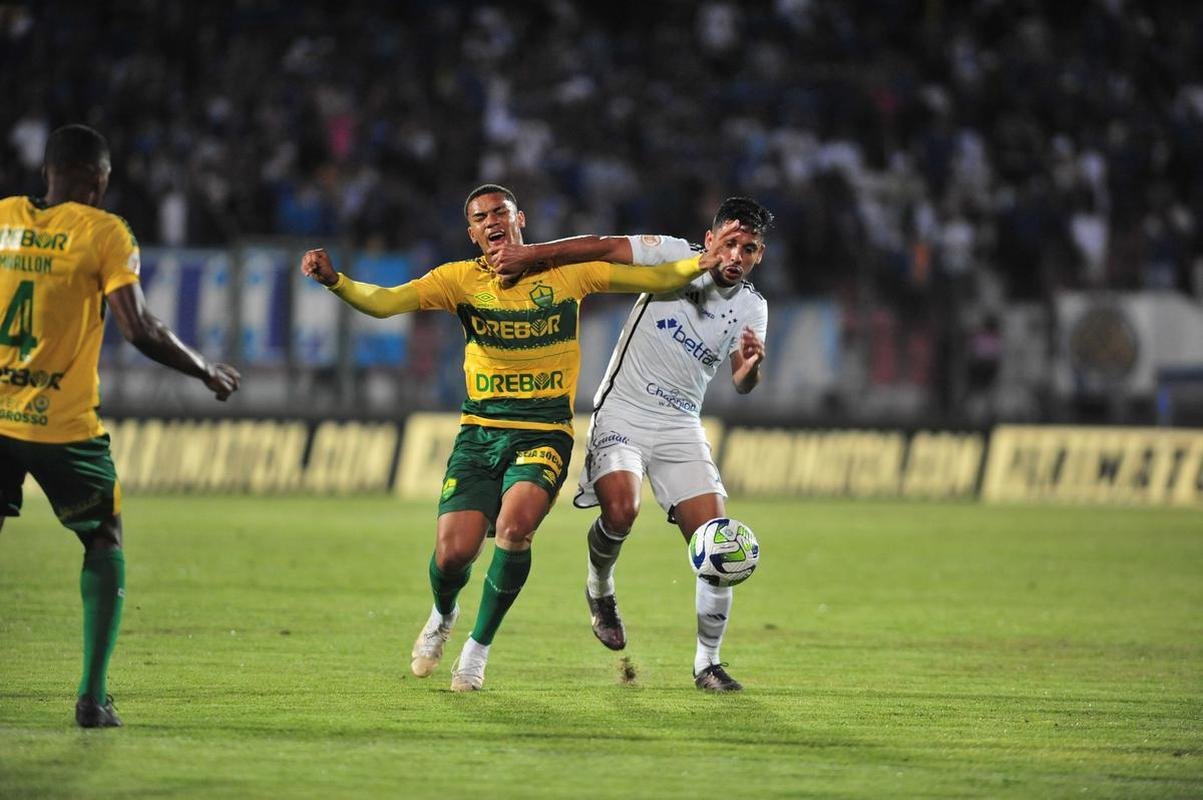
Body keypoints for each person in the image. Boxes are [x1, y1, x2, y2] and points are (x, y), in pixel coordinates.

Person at [301, 184, 735, 692]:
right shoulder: (458, 281)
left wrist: (700, 263)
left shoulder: (566, 273)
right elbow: (387, 302)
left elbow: (656, 275)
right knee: (453, 554)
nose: (491, 222)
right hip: (480, 431)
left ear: (519, 219)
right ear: (472, 231)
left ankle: (476, 652)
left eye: (500, 213)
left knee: (515, 529)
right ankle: (443, 615)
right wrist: (337, 282)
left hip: (544, 432)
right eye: (480, 216)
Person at [0, 124, 241, 727]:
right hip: (64, 427)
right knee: (103, 540)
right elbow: (138, 329)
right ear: (98, 181)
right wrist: (206, 369)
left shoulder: (3, 217)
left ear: (47, 173)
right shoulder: (104, 231)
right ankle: (91, 698)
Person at [487, 197, 771, 692]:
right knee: (621, 510)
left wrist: (748, 371)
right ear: (710, 241)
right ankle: (600, 589)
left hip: (681, 425)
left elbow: (743, 380)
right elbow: (599, 246)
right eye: (730, 243)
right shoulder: (669, 254)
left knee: (717, 542)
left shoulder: (752, 306)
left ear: (758, 256)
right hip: (624, 409)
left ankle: (708, 664)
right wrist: (531, 255)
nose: (737, 256)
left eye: (748, 249)